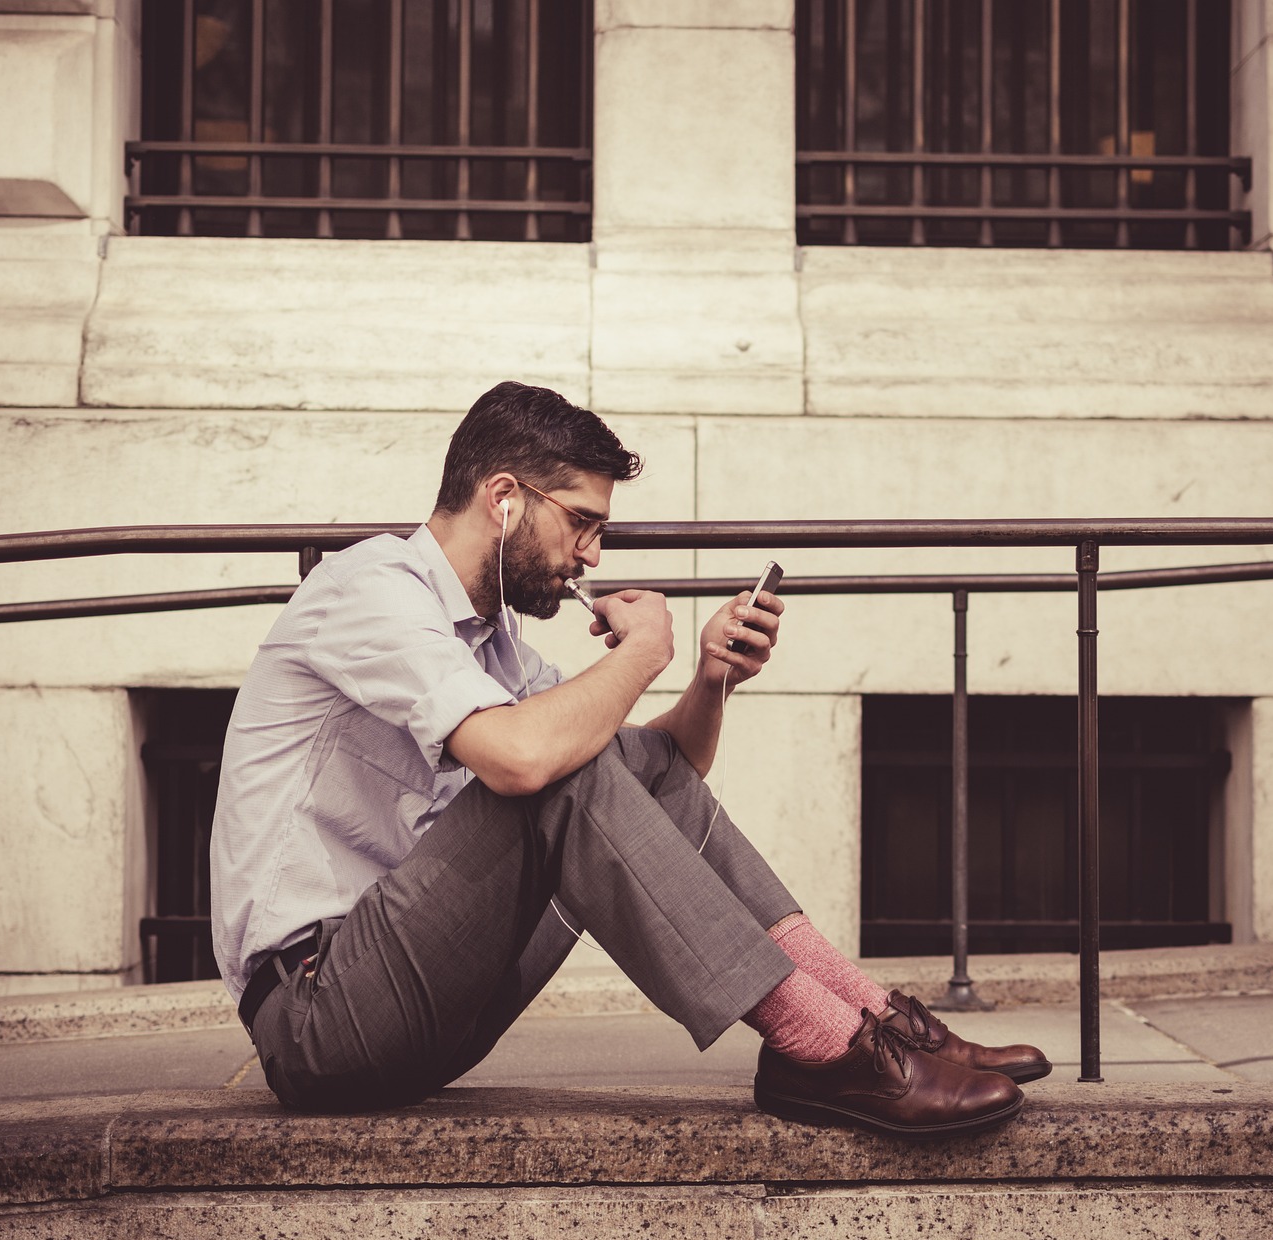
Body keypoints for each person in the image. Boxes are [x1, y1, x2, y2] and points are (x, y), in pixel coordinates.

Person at [211, 381, 1050, 1137]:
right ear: (504, 499)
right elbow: (522, 763)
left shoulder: (495, 644)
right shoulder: (370, 590)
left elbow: (655, 772)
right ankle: (822, 1048)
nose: (593, 556)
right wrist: (639, 653)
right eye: (582, 521)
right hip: (320, 1014)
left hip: (431, 1007)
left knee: (598, 759)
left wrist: (710, 677)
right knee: (548, 766)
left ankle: (871, 1022)